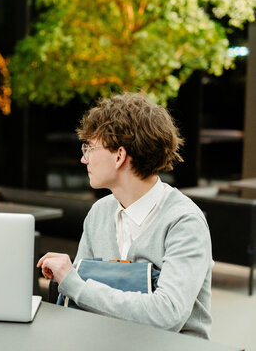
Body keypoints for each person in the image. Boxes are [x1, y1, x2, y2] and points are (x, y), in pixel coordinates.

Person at [37, 93, 213, 339]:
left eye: (90, 148)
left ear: (119, 155)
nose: (83, 158)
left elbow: (167, 315)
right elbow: (81, 304)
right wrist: (71, 279)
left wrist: (73, 282)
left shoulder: (184, 221)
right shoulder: (99, 212)